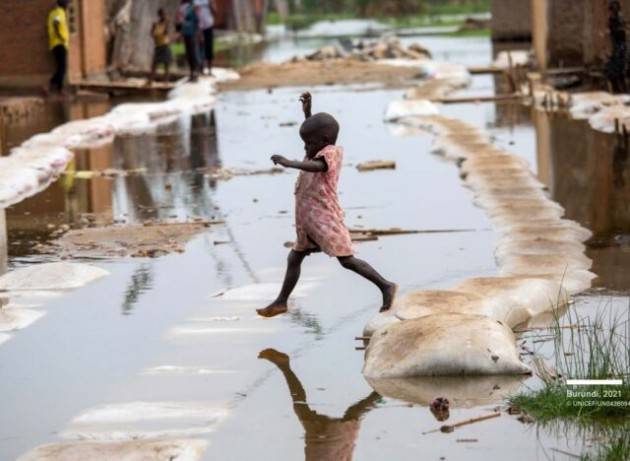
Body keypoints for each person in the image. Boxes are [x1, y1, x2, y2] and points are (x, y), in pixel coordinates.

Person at [257, 92, 397, 318]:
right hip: (307, 220)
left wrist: (288, 162)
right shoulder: (319, 147)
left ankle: (385, 286)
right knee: (294, 257)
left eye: (309, 143)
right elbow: (314, 142)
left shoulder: (331, 154)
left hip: (324, 217)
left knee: (347, 260)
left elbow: (316, 166)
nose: (306, 147)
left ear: (324, 142)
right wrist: (308, 114)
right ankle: (281, 302)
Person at [258, 348, 381, 460]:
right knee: (305, 410)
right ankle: (383, 391)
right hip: (325, 447)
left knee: (348, 417)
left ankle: (381, 392)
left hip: (329, 448)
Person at [47, 0, 70, 95]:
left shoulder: (52, 13)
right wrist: (61, 37)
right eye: (67, 4)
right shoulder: (60, 12)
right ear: (64, 5)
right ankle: (49, 85)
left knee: (60, 67)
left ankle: (60, 89)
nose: (68, 6)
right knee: (63, 68)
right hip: (60, 43)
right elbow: (56, 23)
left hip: (54, 43)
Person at [607, 1, 627, 94]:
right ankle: (617, 90)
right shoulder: (612, 19)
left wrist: (611, 32)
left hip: (620, 46)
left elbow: (621, 32)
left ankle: (623, 91)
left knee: (620, 71)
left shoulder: (619, 18)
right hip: (616, 46)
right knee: (613, 71)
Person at [177, 0, 199, 81]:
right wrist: (180, 33)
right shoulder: (182, 7)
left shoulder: (192, 7)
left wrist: (198, 33)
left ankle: (195, 72)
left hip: (191, 33)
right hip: (185, 33)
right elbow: (180, 21)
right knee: (188, 53)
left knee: (193, 53)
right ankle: (191, 72)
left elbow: (196, 20)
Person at [149, 8, 172, 84]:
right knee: (154, 64)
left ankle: (166, 81)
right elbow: (152, 34)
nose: (163, 15)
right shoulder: (156, 24)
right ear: (159, 15)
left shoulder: (166, 23)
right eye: (161, 14)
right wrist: (153, 29)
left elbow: (165, 30)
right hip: (158, 46)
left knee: (166, 64)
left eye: (164, 14)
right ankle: (151, 80)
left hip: (165, 45)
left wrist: (165, 22)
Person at [193, 0, 216, 75]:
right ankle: (201, 69)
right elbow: (194, 14)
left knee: (209, 47)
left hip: (209, 25)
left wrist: (211, 4)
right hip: (199, 27)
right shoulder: (195, 1)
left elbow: (215, 12)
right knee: (200, 47)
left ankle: (210, 70)